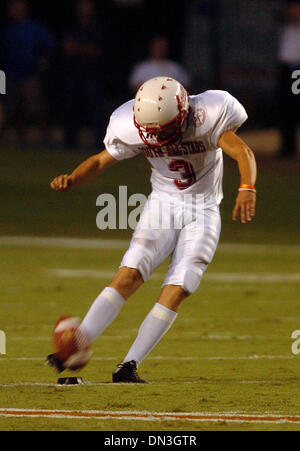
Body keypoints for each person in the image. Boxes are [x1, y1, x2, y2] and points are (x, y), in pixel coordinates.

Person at [48, 77, 257, 383]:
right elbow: (100, 160)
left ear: (183, 114)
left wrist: (248, 187)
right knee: (129, 274)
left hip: (203, 210)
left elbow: (242, 152)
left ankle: (129, 365)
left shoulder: (209, 115)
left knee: (180, 285)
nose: (157, 136)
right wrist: (73, 178)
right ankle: (76, 344)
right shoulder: (130, 123)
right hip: (163, 205)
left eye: (164, 128)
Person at [0, 0, 55, 131]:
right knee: (10, 108)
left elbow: (51, 46)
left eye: (18, 6)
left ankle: (42, 136)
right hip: (9, 76)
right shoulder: (7, 30)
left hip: (30, 76)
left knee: (35, 108)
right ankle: (15, 137)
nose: (15, 9)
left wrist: (43, 63)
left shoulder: (34, 28)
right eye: (13, 6)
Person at [61, 0, 107, 148]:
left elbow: (97, 52)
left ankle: (100, 143)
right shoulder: (72, 28)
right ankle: (69, 142)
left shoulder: (97, 29)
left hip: (92, 76)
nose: (85, 8)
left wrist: (78, 48)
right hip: (73, 75)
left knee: (96, 110)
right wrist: (83, 49)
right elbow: (66, 49)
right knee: (70, 108)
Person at [277, 0, 300, 157]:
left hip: (296, 71)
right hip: (285, 69)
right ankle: (287, 147)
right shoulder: (285, 28)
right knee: (284, 107)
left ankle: (291, 147)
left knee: (295, 104)